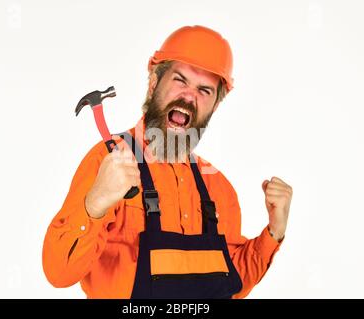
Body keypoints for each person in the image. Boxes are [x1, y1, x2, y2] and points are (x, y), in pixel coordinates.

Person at [42, 25, 293, 299]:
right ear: (153, 82)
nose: (189, 96)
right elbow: (59, 274)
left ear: (215, 105)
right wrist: (95, 204)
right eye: (180, 80)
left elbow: (231, 283)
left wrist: (274, 231)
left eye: (204, 90)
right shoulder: (108, 162)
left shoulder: (219, 189)